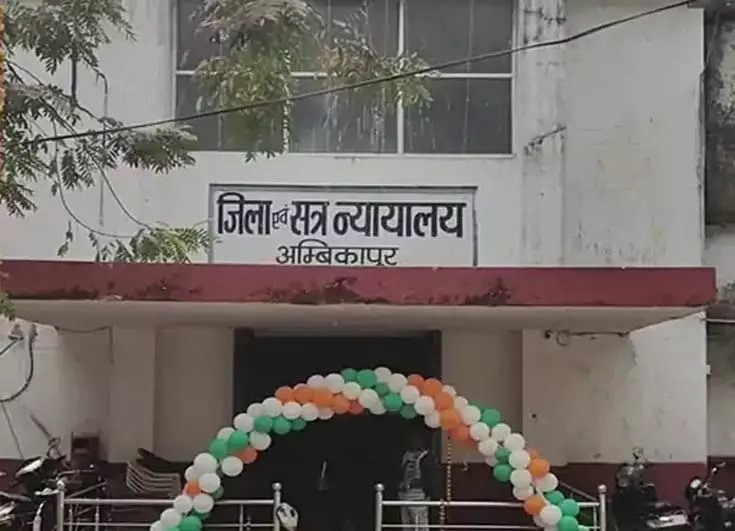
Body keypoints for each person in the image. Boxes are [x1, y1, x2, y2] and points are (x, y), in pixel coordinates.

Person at [398, 431, 440, 531]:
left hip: (418, 493)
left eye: (417, 438)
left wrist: (426, 490)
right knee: (406, 524)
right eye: (412, 438)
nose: (413, 441)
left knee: (420, 523)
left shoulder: (426, 456)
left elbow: (429, 476)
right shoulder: (406, 454)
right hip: (404, 493)